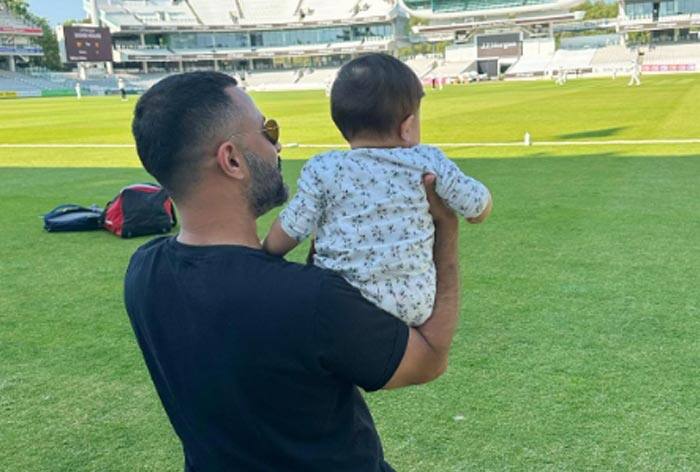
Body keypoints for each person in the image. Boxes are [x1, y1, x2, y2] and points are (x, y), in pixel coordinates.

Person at [125, 71, 462, 471]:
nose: (278, 145)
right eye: (268, 131)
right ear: (232, 160)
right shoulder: (311, 299)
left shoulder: (143, 271)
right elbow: (429, 359)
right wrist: (446, 227)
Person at [263, 54, 492, 326]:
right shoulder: (427, 161)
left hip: (338, 303)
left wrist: (265, 249)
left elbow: (287, 232)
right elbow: (477, 206)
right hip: (410, 305)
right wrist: (480, 209)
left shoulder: (324, 167)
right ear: (407, 127)